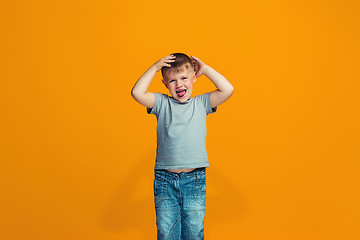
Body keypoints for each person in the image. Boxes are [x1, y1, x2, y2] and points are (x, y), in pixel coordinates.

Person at [131, 53, 234, 239]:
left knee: (194, 233)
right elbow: (137, 93)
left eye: (184, 78)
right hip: (165, 180)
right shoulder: (161, 103)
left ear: (194, 77)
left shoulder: (201, 103)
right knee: (166, 232)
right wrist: (155, 67)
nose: (179, 85)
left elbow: (228, 89)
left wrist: (206, 69)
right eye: (172, 81)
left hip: (194, 179)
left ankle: (188, 73)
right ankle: (169, 75)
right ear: (164, 83)